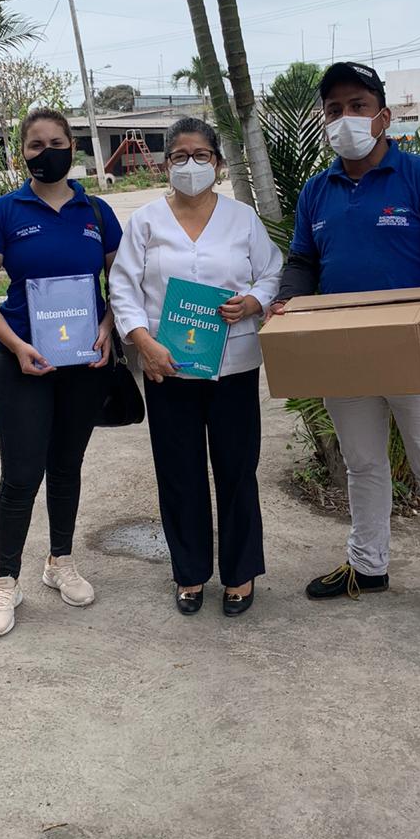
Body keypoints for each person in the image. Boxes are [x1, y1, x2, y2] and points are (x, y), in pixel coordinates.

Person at [270, 62, 420, 646]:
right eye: (334, 109)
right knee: (362, 463)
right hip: (343, 350)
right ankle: (367, 566)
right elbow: (303, 261)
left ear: (384, 116)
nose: (345, 118)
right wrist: (287, 304)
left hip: (418, 351)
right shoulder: (317, 191)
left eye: (358, 105)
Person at [109, 117, 283, 617]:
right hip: (167, 367)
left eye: (201, 155)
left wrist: (253, 301)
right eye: (180, 156)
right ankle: (189, 572)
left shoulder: (242, 219)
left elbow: (271, 271)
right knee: (179, 473)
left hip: (233, 365)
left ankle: (240, 572)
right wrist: (143, 343)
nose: (191, 164)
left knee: (237, 469)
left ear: (218, 163)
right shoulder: (145, 222)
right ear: (166, 165)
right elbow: (122, 287)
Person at [0, 107, 122, 637]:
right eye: (36, 144)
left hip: (84, 363)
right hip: (20, 363)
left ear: (72, 148)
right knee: (21, 474)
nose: (47, 152)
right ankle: (6, 580)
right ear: (22, 153)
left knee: (67, 465)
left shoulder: (96, 212)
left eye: (57, 143)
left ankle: (60, 561)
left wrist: (108, 326)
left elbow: (121, 286)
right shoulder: (2, 213)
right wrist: (16, 345)